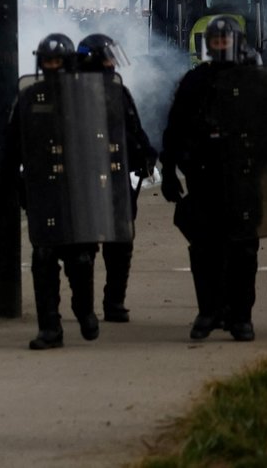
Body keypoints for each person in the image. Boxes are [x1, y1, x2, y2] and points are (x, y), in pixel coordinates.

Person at [160, 15, 267, 342]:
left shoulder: (257, 82)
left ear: (236, 43)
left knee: (244, 249)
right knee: (204, 249)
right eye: (214, 42)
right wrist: (169, 170)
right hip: (204, 177)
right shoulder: (194, 81)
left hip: (244, 176)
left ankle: (240, 316)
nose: (220, 47)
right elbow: (175, 128)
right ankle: (209, 311)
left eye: (224, 41)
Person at [0, 33, 105, 350]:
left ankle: (84, 309)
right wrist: (7, 184)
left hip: (79, 189)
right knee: (44, 258)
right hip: (44, 189)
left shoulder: (87, 96)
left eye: (58, 62)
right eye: (48, 62)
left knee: (80, 259)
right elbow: (13, 146)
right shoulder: (30, 98)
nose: (53, 67)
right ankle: (49, 327)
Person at [76, 34, 158, 323]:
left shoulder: (116, 90)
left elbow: (132, 126)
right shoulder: (72, 91)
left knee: (120, 241)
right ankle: (83, 304)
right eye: (108, 57)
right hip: (82, 178)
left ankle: (114, 302)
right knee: (83, 246)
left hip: (115, 173)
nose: (113, 63)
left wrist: (146, 153)